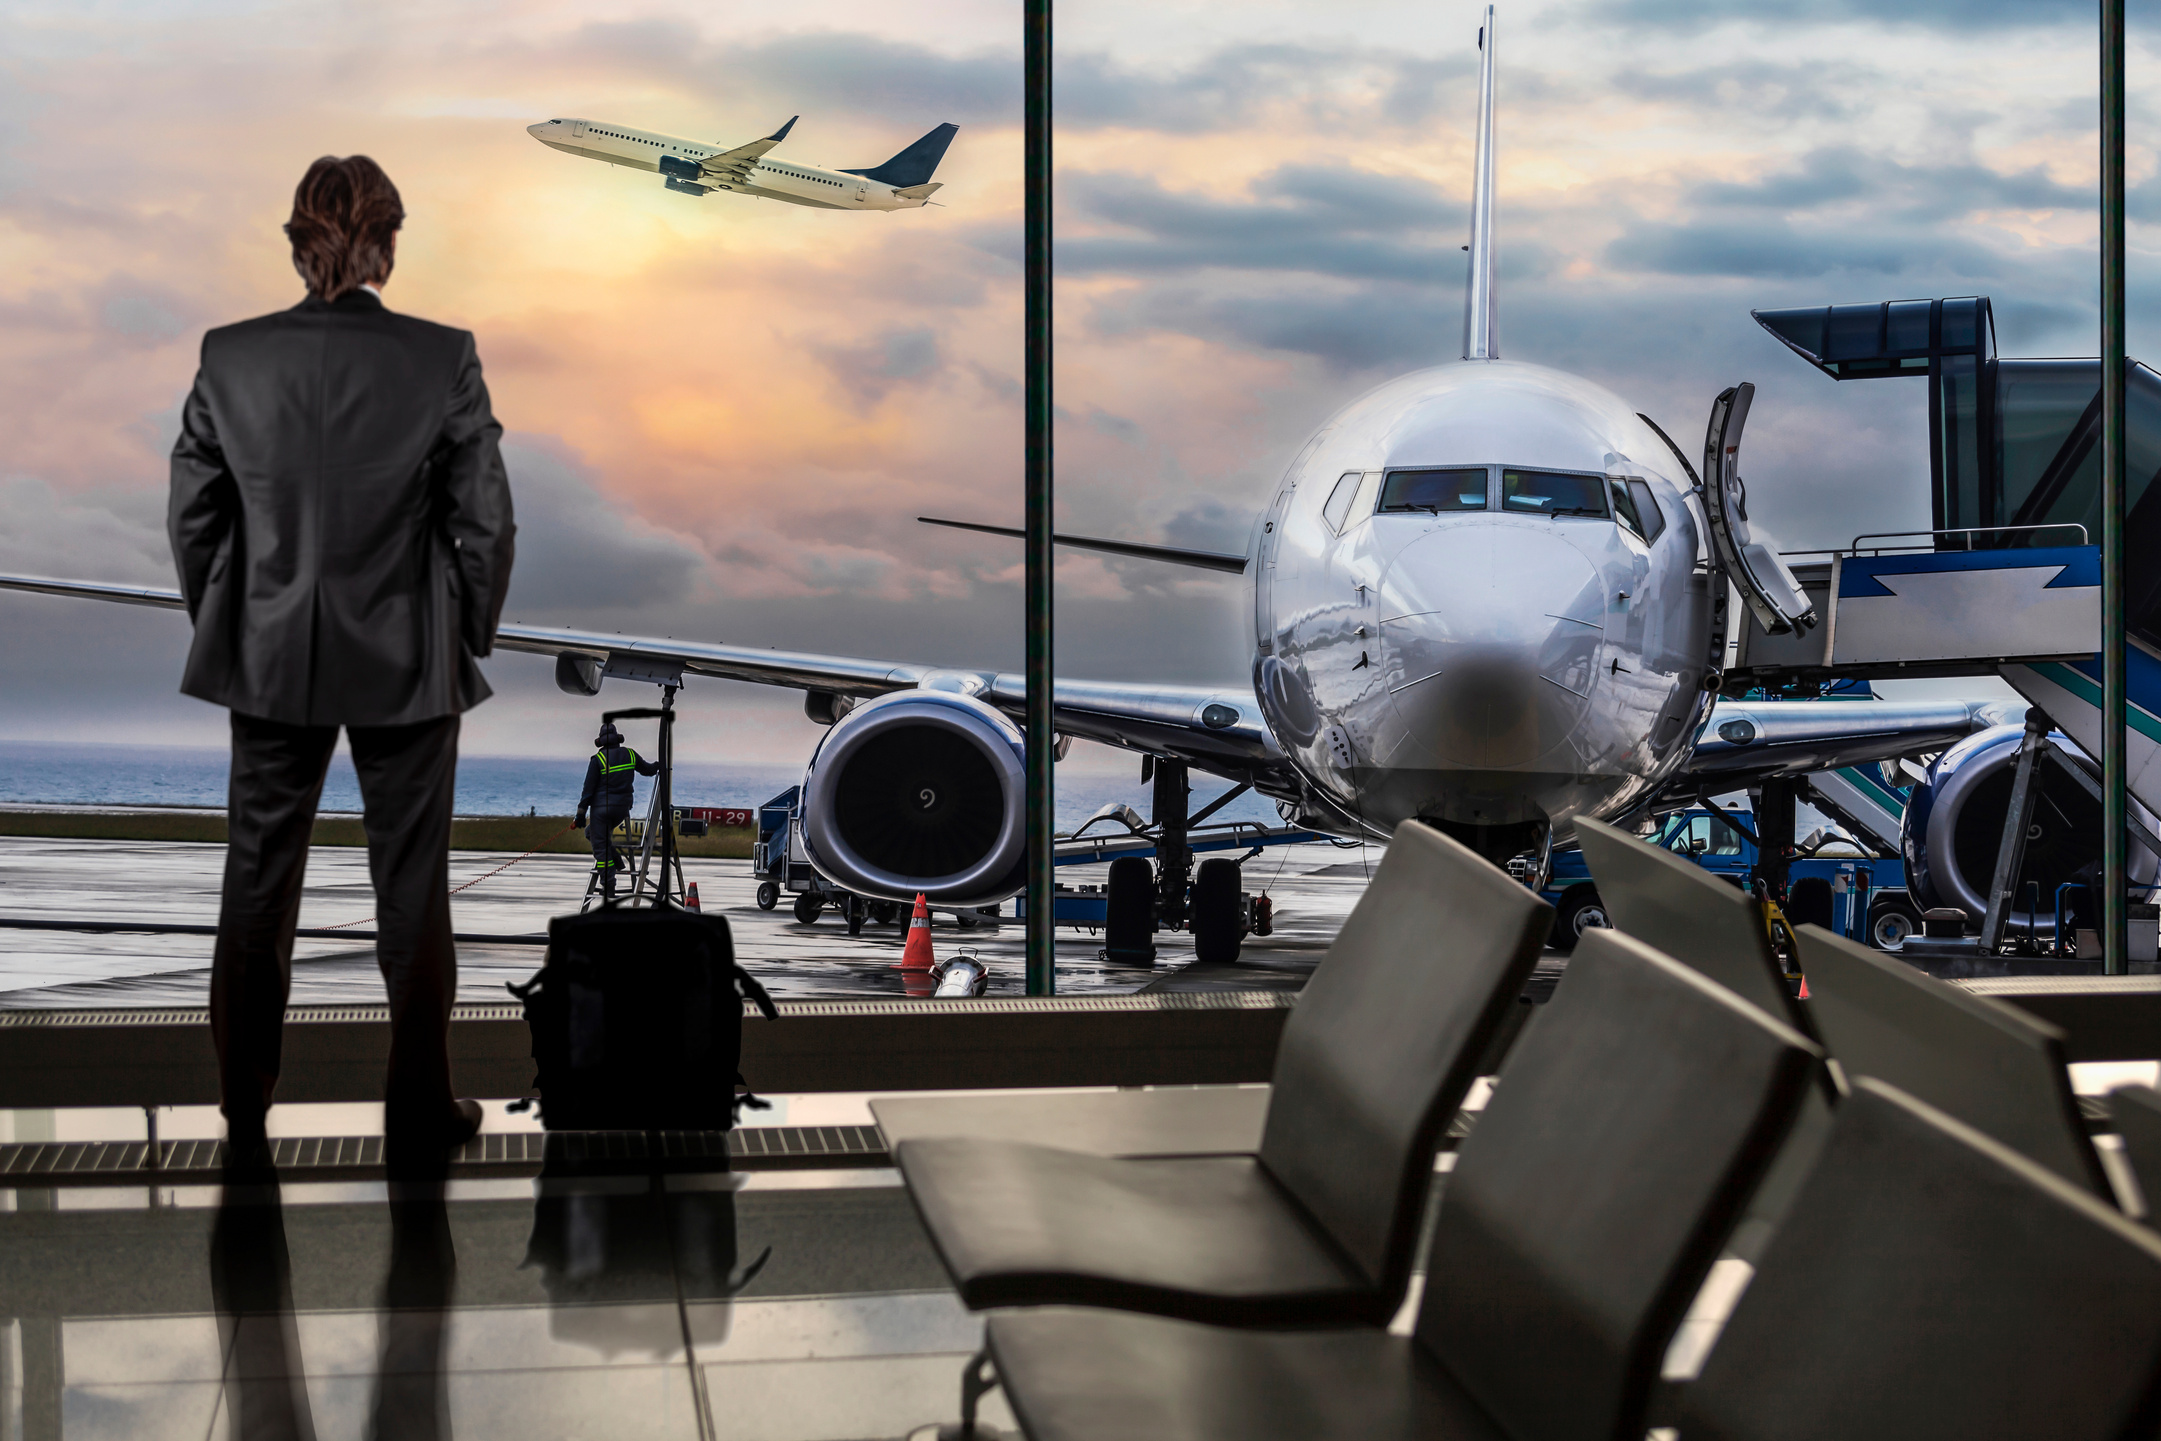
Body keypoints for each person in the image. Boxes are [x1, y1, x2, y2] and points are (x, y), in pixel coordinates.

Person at [170, 155, 516, 1168]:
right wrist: (467, 637)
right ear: (387, 242)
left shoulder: (229, 355)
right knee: (411, 886)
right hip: (409, 658)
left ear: (298, 239)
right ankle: (418, 1103)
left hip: (267, 652)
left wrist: (234, 624)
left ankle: (242, 1106)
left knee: (256, 877)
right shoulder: (442, 354)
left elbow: (195, 513)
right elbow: (485, 522)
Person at [575, 721, 659, 898]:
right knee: (592, 833)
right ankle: (618, 861)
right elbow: (649, 770)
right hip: (622, 809)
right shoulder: (630, 754)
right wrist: (660, 765)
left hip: (601, 810)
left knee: (600, 849)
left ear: (601, 742)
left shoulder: (598, 760)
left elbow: (587, 790)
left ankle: (609, 887)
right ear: (617, 739)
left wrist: (580, 814)